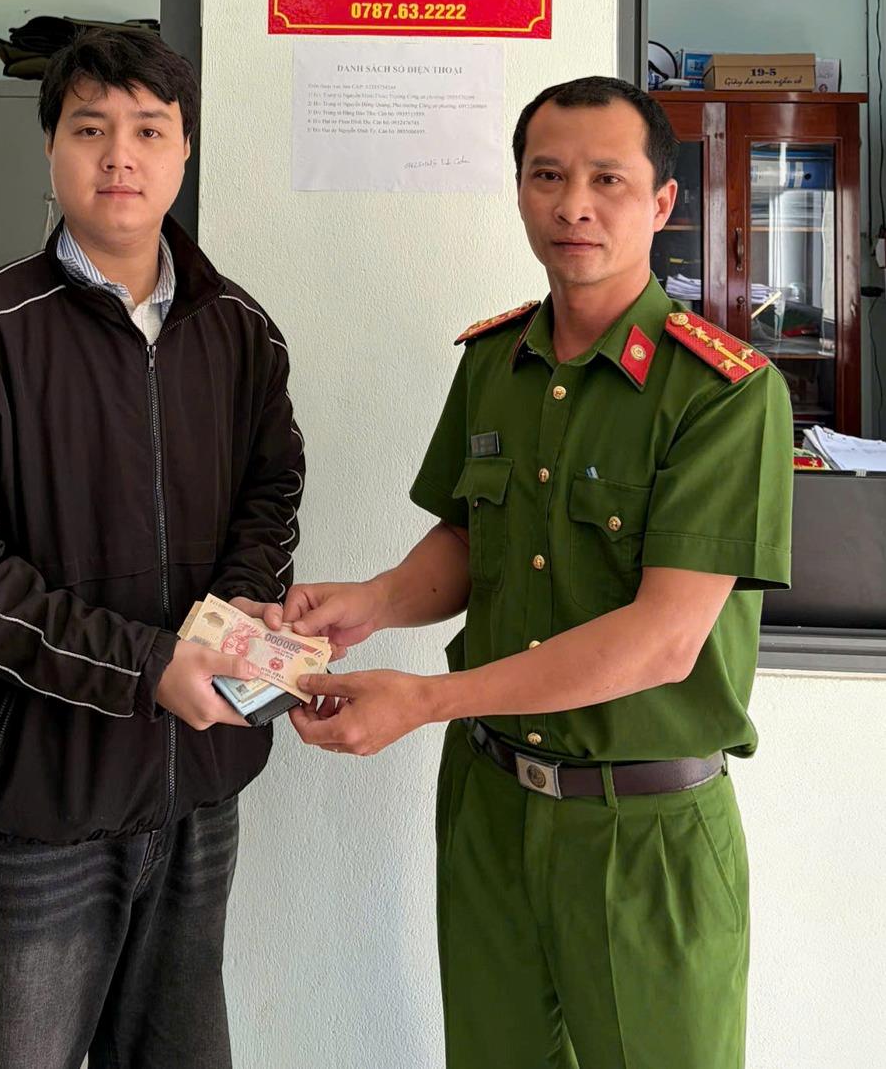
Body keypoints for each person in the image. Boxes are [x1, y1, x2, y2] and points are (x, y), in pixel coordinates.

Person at [277, 77, 792, 1068]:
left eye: (607, 179)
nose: (572, 205)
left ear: (661, 203)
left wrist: (426, 699)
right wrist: (370, 604)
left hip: (641, 831)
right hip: (490, 805)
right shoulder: (492, 361)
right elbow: (469, 542)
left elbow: (662, 639)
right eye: (546, 177)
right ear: (517, 190)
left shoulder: (721, 393)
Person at [0, 28, 302, 1069]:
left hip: (196, 787)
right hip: (33, 803)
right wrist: (145, 664)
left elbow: (270, 495)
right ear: (51, 148)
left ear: (184, 149)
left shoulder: (241, 332)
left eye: (148, 130)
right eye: (89, 129)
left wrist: (234, 623)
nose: (120, 156)